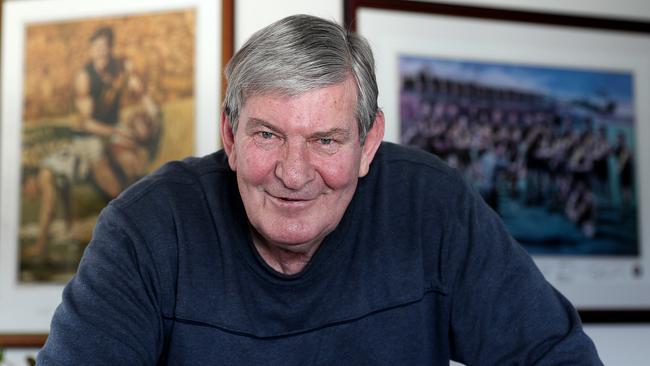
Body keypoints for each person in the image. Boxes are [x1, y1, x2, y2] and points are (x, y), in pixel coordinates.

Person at [38, 15, 602, 365]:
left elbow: (555, 357)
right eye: (267, 135)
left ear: (370, 140)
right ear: (230, 137)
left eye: (327, 140)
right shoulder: (145, 230)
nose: (294, 172)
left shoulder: (432, 206)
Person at [25, 26, 160, 257]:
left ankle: (148, 231)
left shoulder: (119, 68)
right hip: (88, 139)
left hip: (109, 134)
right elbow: (87, 123)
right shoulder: (85, 77)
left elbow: (138, 89)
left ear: (110, 47)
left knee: (134, 168)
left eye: (105, 47)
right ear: (92, 49)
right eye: (97, 47)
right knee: (108, 183)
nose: (101, 52)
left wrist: (147, 105)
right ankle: (46, 242)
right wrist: (115, 132)